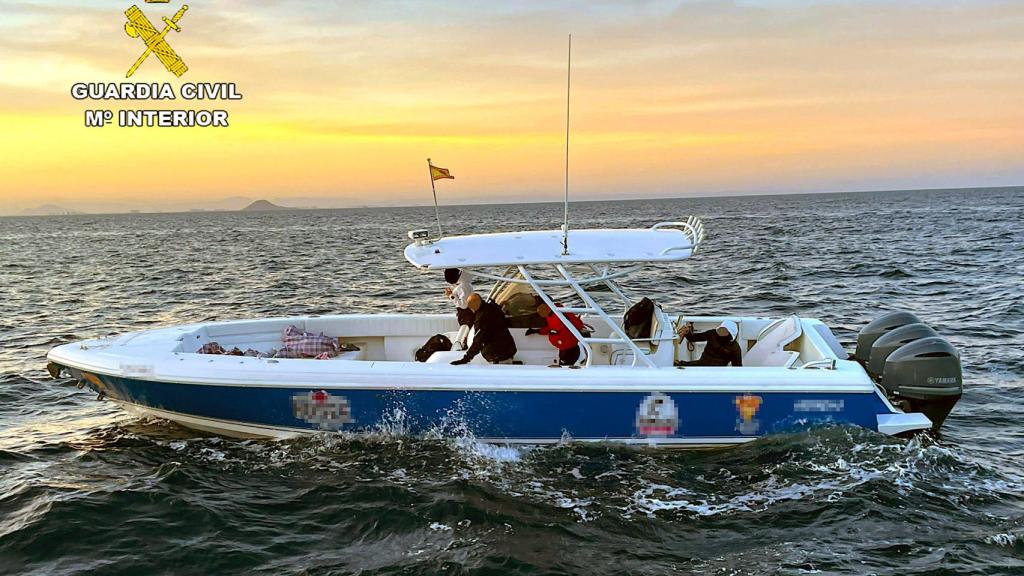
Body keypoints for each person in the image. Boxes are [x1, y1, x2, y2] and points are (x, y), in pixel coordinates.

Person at [450, 294, 517, 365]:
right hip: (508, 350)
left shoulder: (481, 319)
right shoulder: (493, 308)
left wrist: (466, 359)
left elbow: (478, 341)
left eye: (471, 307)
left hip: (498, 356)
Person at [675, 320, 742, 366]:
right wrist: (687, 333)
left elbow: (737, 368)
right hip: (701, 364)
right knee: (678, 365)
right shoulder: (712, 334)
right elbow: (693, 338)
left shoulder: (735, 348)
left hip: (719, 372)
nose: (722, 333)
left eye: (725, 331)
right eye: (721, 330)